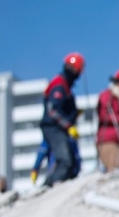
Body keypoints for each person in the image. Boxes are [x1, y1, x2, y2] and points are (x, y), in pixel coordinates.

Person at [40, 52, 84, 186]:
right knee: (66, 161)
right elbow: (53, 111)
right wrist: (68, 125)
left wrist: (74, 114)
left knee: (73, 164)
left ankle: (60, 187)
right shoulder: (59, 85)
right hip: (54, 128)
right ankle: (48, 188)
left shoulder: (66, 86)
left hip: (59, 128)